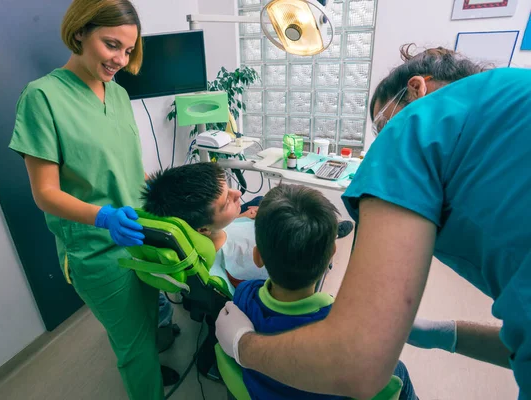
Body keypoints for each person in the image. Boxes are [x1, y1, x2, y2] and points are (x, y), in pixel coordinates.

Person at [215, 44, 531, 400]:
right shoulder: (515, 89)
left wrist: (243, 346)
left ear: (416, 88)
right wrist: (447, 334)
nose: (385, 142)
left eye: (382, 126)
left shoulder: (420, 120)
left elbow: (356, 364)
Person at [9, 1, 178, 398]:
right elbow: (45, 193)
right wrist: (104, 217)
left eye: (128, 50)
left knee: (148, 320)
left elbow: (126, 169)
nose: (120, 59)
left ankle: (149, 372)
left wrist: (164, 189)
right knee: (133, 344)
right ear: (81, 31)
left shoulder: (117, 94)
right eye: (111, 45)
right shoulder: (42, 98)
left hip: (137, 233)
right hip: (96, 250)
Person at [234, 184, 418, 400]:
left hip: (261, 392)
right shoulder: (344, 325)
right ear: (332, 254)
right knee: (400, 370)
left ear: (258, 257)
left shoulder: (244, 295)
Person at [142, 163, 355, 288]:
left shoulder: (212, 232)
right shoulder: (239, 266)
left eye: (230, 188)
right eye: (227, 201)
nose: (239, 193)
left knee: (260, 200)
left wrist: (243, 215)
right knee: (304, 225)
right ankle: (330, 235)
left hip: (241, 228)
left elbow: (231, 227)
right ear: (204, 229)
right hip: (290, 248)